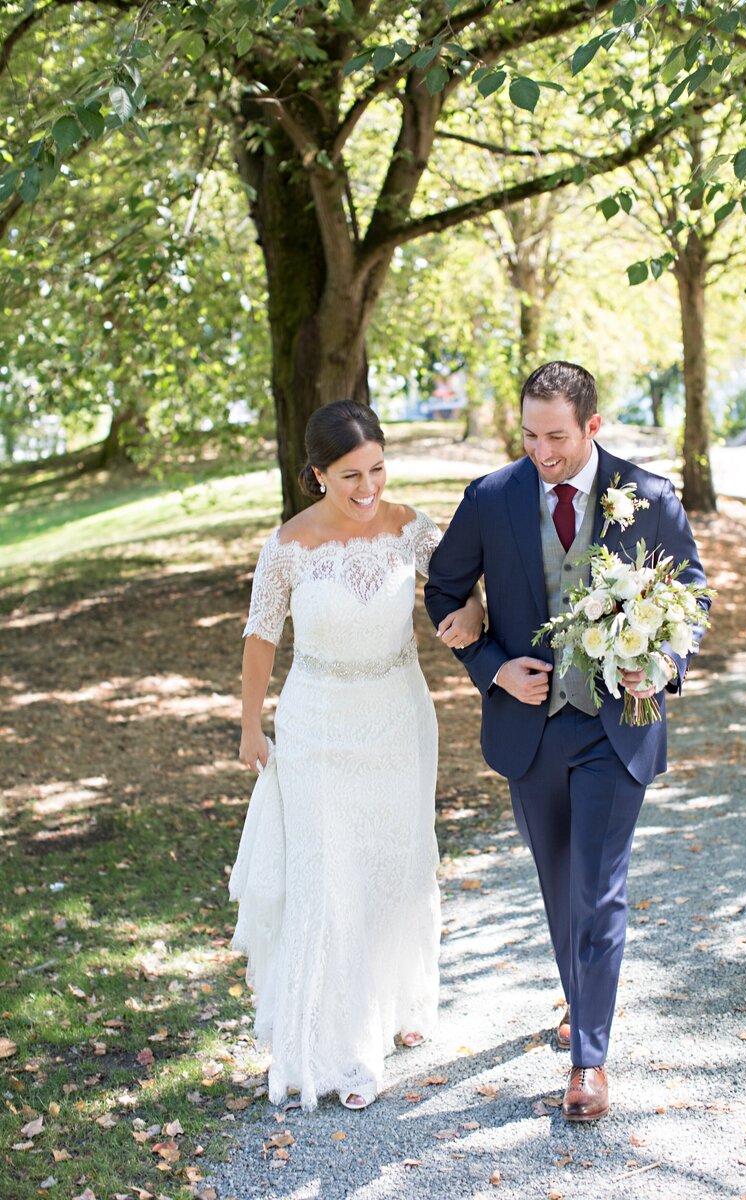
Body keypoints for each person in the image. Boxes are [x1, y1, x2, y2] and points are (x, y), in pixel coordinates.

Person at [425, 361, 708, 1122]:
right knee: (559, 886)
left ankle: (588, 1059)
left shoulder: (647, 497)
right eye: (528, 434)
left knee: (598, 885)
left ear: (592, 426)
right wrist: (490, 667)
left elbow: (694, 590)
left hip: (616, 727)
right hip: (531, 729)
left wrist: (664, 664)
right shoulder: (491, 498)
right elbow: (443, 590)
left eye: (556, 436)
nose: (541, 452)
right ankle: (582, 1000)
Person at [229, 400, 484, 1112]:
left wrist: (475, 615)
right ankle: (340, 1048)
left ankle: (398, 1001)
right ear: (317, 476)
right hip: (317, 728)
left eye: (376, 469)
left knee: (394, 863)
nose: (367, 487)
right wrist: (251, 727)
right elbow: (259, 638)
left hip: (400, 720)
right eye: (349, 476)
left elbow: (461, 592)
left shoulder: (412, 529)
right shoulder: (286, 546)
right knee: (330, 876)